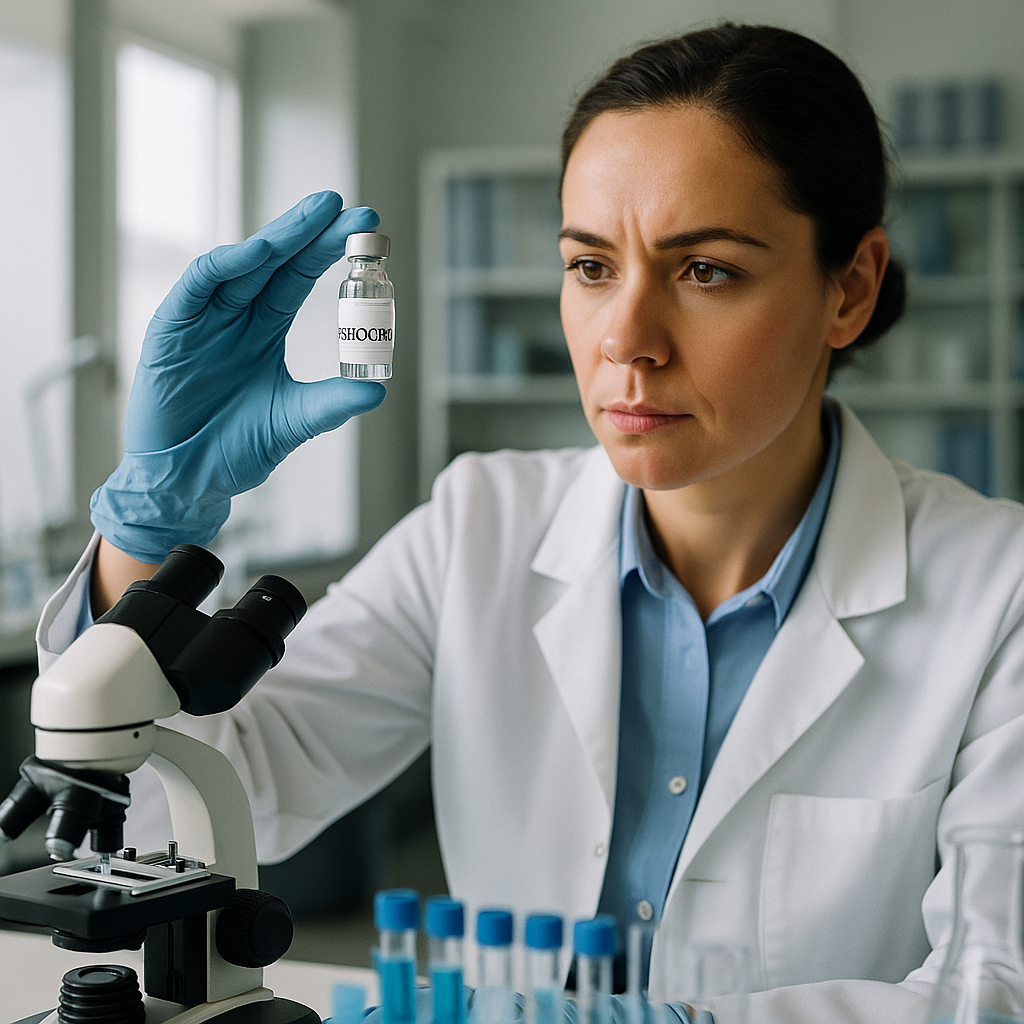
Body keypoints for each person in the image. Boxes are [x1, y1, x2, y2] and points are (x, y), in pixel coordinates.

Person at [36, 23, 1024, 1024]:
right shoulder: (480, 524)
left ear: (846, 288)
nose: (625, 341)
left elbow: (995, 986)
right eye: (591, 267)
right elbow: (185, 806)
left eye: (705, 270)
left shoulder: (1001, 589)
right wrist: (149, 523)